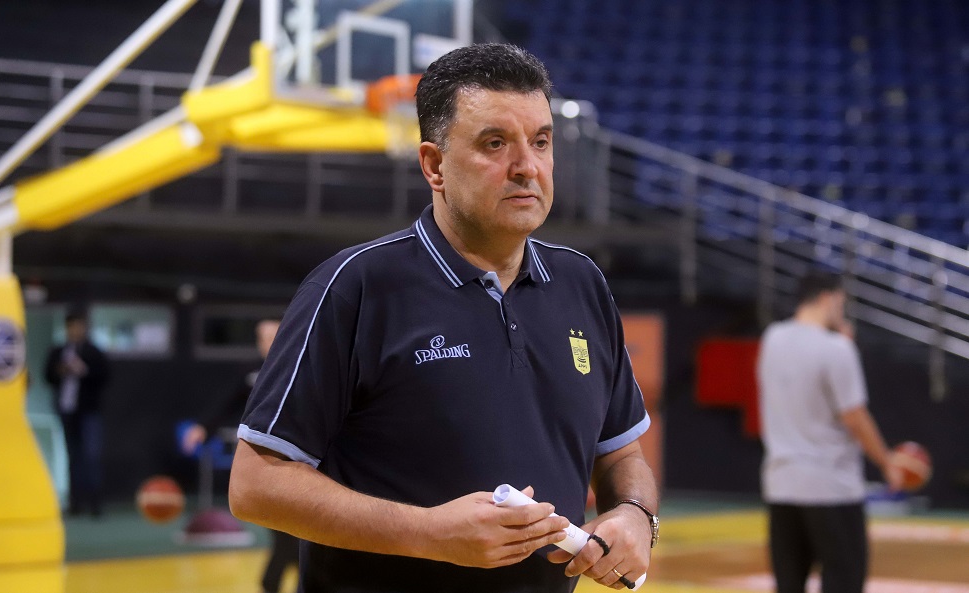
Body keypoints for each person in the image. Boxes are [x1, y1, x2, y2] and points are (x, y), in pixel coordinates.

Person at [229, 43, 659, 593]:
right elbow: (255, 485)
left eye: (541, 141)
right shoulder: (355, 287)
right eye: (495, 143)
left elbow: (622, 454)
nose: (527, 166)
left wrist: (635, 514)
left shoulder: (583, 284)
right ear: (434, 165)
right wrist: (427, 533)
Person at [756, 270, 903, 593]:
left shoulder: (772, 338)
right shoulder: (837, 348)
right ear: (828, 298)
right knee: (843, 581)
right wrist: (886, 461)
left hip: (781, 484)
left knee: (788, 584)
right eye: (842, 303)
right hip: (831, 487)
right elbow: (855, 417)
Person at [181, 319, 299, 593]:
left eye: (273, 336)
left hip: (294, 457)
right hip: (263, 460)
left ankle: (275, 579)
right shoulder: (251, 373)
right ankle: (281, 577)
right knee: (281, 525)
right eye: (263, 337)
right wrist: (203, 427)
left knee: (292, 527)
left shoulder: (299, 366)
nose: (268, 342)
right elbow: (227, 403)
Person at [45, 310, 109, 517]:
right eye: (72, 326)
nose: (75, 330)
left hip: (89, 412)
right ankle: (75, 503)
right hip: (67, 411)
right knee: (73, 456)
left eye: (79, 326)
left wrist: (83, 370)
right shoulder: (59, 351)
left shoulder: (93, 352)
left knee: (91, 455)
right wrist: (61, 371)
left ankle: (95, 503)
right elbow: (48, 375)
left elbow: (104, 376)